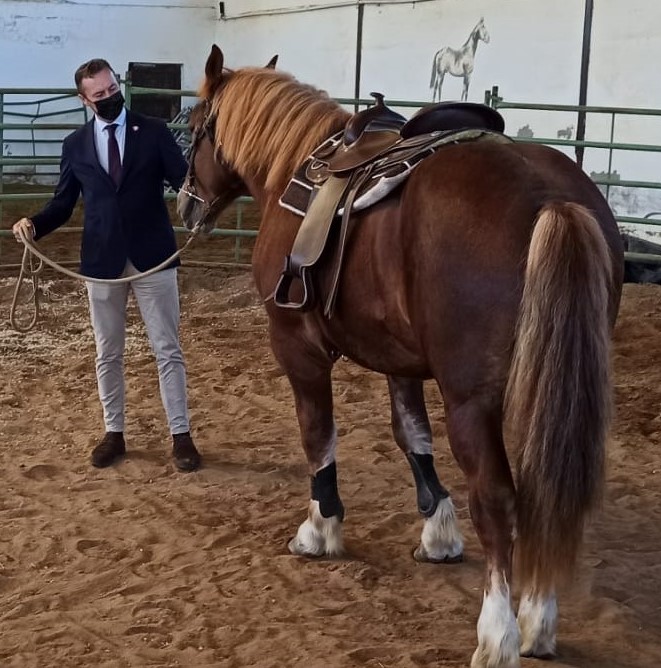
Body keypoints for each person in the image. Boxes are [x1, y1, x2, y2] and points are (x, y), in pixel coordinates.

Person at [12, 58, 201, 472]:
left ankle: (181, 435)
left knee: (167, 350)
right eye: (99, 94)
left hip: (154, 258)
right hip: (101, 261)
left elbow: (184, 180)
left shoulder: (153, 131)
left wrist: (205, 205)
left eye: (112, 89)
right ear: (84, 99)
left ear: (118, 85)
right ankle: (113, 433)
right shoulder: (75, 145)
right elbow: (63, 203)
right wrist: (35, 225)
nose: (108, 97)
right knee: (107, 352)